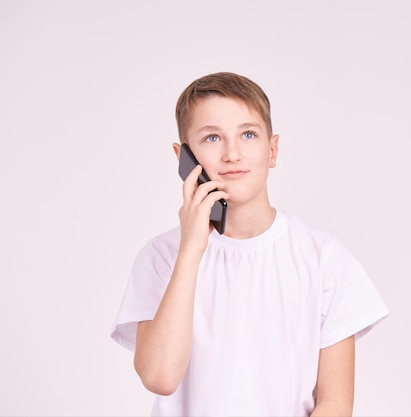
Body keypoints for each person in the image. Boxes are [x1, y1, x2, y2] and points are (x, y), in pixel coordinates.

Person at [111, 71, 389, 417]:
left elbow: (334, 402)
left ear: (272, 150)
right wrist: (191, 249)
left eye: (248, 134)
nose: (232, 153)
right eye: (212, 138)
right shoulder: (161, 257)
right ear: (184, 157)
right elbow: (160, 376)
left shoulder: (324, 259)